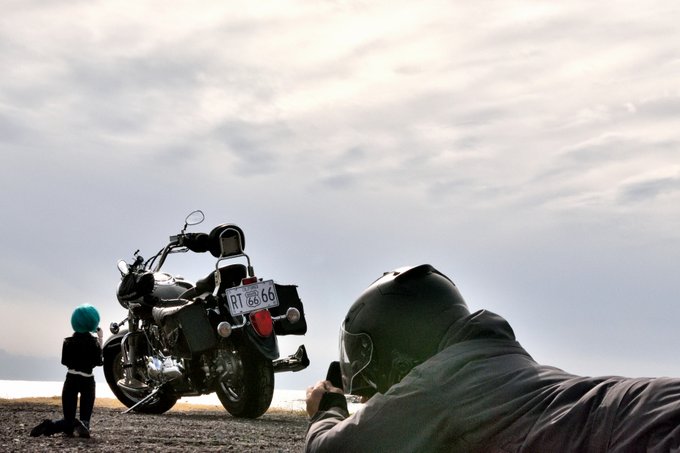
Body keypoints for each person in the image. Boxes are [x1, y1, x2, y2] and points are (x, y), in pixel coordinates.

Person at [305, 264, 680, 452]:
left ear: (398, 355)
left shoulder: (441, 385)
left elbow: (330, 450)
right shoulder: (505, 364)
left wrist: (328, 409)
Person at [30, 304, 104, 439]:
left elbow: (64, 361)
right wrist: (100, 340)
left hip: (71, 379)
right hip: (87, 380)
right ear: (93, 323)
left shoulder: (67, 342)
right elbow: (99, 362)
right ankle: (81, 424)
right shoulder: (94, 343)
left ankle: (51, 425)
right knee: (85, 423)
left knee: (68, 422)